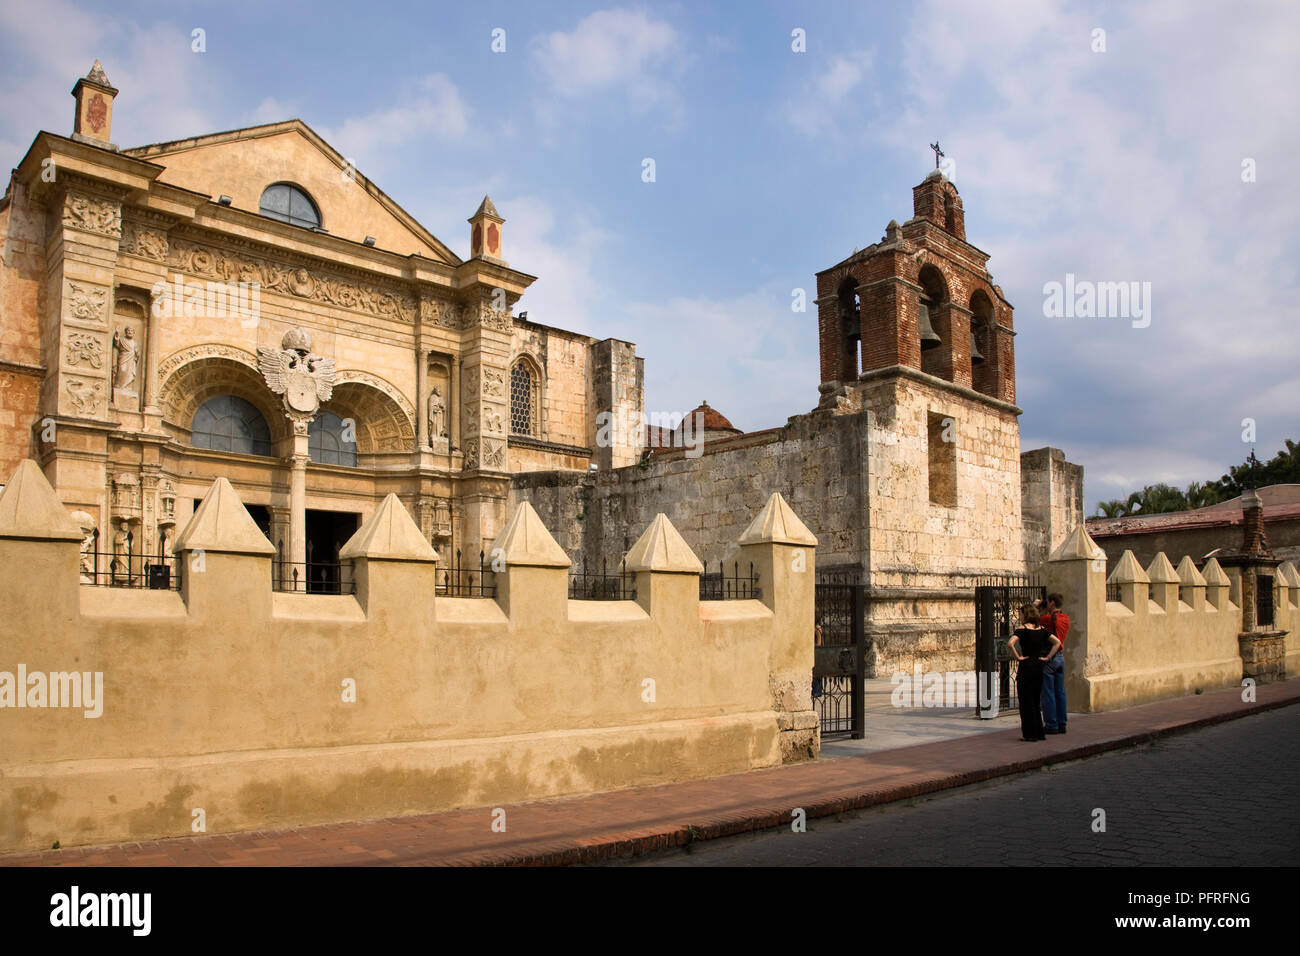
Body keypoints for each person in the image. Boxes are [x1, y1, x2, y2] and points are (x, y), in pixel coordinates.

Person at [1008, 605, 1060, 741]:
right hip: (1038, 666)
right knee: (1036, 701)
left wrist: (1018, 657)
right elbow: (1057, 642)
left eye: (1021, 614)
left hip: (1026, 666)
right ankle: (1039, 732)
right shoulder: (1042, 630)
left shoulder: (1022, 630)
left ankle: (1029, 734)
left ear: (1025, 615)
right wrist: (1048, 657)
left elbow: (1010, 643)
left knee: (1026, 701)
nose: (1020, 617)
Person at [1039, 592, 1071, 734]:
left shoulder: (1046, 619)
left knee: (1048, 693)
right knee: (1060, 692)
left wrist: (1036, 606)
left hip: (1049, 657)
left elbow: (1032, 622)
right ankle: (1062, 722)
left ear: (1051, 603)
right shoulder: (1065, 619)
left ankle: (1051, 724)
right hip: (1060, 657)